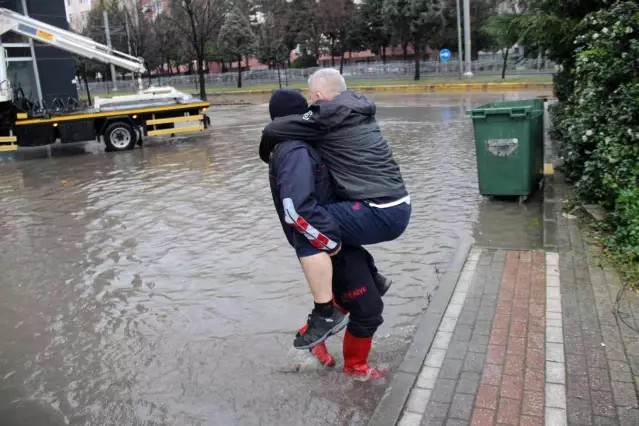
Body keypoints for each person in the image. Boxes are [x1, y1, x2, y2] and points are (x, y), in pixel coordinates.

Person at [260, 69, 411, 350]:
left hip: (378, 208)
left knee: (307, 226)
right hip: (396, 202)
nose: (311, 104)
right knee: (322, 225)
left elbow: (272, 131)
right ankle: (369, 278)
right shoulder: (357, 106)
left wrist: (329, 242)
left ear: (318, 96)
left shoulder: (325, 115)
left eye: (312, 99)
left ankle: (324, 313)